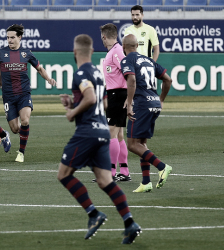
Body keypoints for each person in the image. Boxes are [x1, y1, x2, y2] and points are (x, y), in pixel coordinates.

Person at [57, 34, 141, 244]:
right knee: (105, 181)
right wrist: (73, 104)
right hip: (103, 130)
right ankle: (129, 222)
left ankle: (93, 214)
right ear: (93, 52)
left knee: (64, 174)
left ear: (75, 53)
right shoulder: (98, 72)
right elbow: (102, 104)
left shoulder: (80, 73)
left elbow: (91, 98)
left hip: (87, 132)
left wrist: (71, 113)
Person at [0, 24, 57, 163]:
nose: (9, 40)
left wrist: (48, 79)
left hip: (24, 94)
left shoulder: (26, 53)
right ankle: (7, 134)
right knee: (15, 129)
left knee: (25, 120)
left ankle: (21, 153)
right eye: (7, 38)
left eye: (12, 37)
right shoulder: (1, 53)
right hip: (8, 97)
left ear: (20, 37)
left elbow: (39, 68)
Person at [121, 34, 172, 192]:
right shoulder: (149, 60)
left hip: (141, 104)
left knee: (132, 144)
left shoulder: (127, 60)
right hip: (154, 103)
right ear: (137, 46)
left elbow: (132, 80)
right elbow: (168, 80)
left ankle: (162, 166)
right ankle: (146, 182)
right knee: (141, 143)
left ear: (124, 48)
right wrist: (161, 100)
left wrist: (129, 105)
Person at [99, 23, 131, 182]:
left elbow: (129, 72)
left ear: (104, 36)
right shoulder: (113, 51)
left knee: (111, 133)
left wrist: (128, 95)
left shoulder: (116, 51)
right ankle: (124, 171)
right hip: (116, 94)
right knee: (118, 134)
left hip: (118, 95)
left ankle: (110, 173)